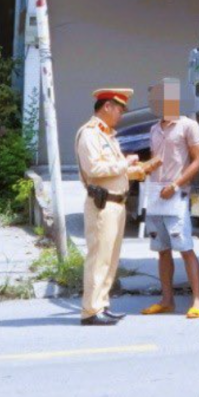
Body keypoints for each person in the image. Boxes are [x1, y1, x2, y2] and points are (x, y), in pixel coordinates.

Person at [75, 88, 158, 326]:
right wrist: (125, 163)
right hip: (103, 204)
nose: (121, 114)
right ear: (107, 107)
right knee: (99, 259)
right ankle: (90, 311)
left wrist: (140, 169)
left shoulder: (106, 135)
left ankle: (101, 304)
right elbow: (95, 170)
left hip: (115, 204)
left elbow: (113, 171)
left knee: (110, 260)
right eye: (120, 109)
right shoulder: (90, 134)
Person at [140, 78, 199, 319]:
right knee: (162, 249)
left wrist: (176, 184)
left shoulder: (189, 125)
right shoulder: (153, 128)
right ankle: (167, 300)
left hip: (177, 194)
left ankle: (198, 300)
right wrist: (143, 169)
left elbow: (198, 160)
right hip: (155, 193)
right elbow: (156, 158)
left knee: (185, 248)